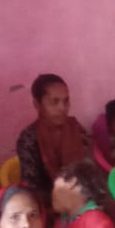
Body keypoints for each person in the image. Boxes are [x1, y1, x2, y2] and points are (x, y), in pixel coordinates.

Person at [16, 73, 89, 204]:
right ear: (37, 104)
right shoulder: (28, 139)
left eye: (66, 101)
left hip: (82, 200)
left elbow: (89, 170)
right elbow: (30, 188)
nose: (63, 108)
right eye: (54, 102)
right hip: (48, 205)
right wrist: (64, 199)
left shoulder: (76, 129)